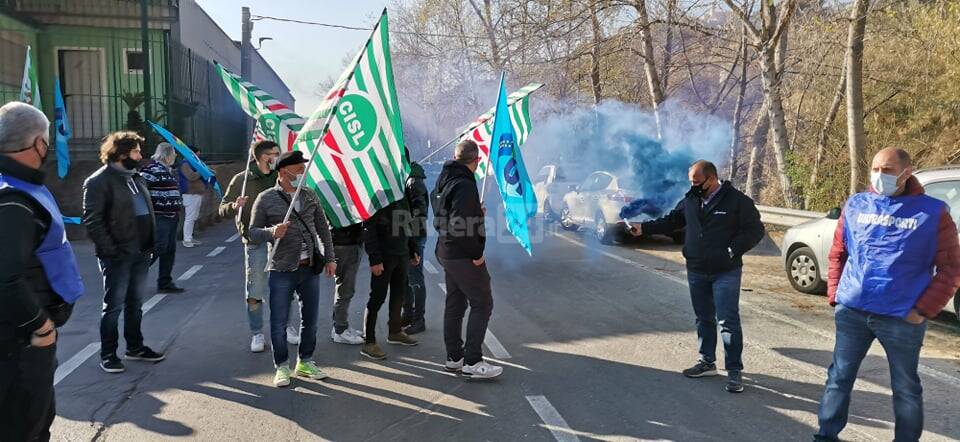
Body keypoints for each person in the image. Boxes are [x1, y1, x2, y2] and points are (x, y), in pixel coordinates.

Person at [814, 148, 960, 442]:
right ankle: (825, 436)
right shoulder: (856, 205)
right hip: (853, 310)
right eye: (877, 168)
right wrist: (835, 295)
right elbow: (838, 253)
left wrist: (923, 309)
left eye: (889, 170)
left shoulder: (932, 213)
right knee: (838, 378)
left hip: (902, 316)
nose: (880, 175)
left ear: (907, 172)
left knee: (905, 387)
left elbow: (952, 268)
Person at [630, 160, 764, 393]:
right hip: (696, 269)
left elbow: (755, 230)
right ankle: (707, 362)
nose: (693, 186)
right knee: (703, 318)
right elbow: (672, 221)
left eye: (697, 182)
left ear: (712, 179)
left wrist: (733, 250)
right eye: (691, 182)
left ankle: (734, 371)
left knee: (727, 321)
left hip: (726, 271)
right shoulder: (691, 199)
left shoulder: (737, 201)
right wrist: (644, 228)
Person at [0, 102, 84, 442]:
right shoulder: (13, 200)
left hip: (17, 337)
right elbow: (5, 276)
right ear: (38, 145)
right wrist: (40, 326)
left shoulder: (16, 187)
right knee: (27, 428)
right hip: (18, 342)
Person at [249, 150, 336, 388]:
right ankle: (282, 366)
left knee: (311, 320)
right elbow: (252, 232)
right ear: (284, 170)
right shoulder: (266, 198)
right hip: (282, 269)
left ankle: (305, 361)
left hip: (309, 269)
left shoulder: (309, 195)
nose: (302, 170)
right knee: (278, 322)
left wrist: (330, 258)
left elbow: (323, 229)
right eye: (299, 166)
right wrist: (271, 232)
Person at [83, 131, 165, 374]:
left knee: (135, 304)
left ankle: (135, 347)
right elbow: (92, 221)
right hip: (118, 255)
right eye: (136, 151)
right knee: (113, 306)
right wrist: (111, 251)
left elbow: (145, 213)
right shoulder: (98, 181)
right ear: (120, 154)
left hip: (141, 252)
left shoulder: (136, 178)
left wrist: (152, 244)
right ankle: (108, 354)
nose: (141, 155)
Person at [219, 140, 302, 353]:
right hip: (255, 242)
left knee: (286, 286)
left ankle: (287, 327)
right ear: (264, 157)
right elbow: (222, 209)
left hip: (281, 241)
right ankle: (257, 333)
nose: (278, 156)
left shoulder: (280, 177)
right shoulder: (242, 180)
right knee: (255, 288)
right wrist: (234, 205)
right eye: (275, 153)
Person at [432, 139, 502, 379]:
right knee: (482, 302)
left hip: (445, 250)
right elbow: (460, 224)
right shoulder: (464, 184)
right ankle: (472, 361)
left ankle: (454, 358)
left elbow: (447, 213)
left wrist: (474, 211)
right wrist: (477, 255)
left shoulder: (445, 178)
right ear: (476, 161)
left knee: (455, 303)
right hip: (462, 254)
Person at [360, 194, 420, 360]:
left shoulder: (401, 195)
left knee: (398, 296)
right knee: (377, 298)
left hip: (402, 254)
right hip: (384, 257)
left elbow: (408, 223)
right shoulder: (376, 196)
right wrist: (375, 259)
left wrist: (413, 249)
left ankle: (395, 331)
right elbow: (368, 229)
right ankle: (369, 341)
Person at [140, 142, 184, 294]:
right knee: (159, 247)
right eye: (173, 153)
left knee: (169, 250)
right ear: (166, 155)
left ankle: (165, 281)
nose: (175, 156)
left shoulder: (169, 171)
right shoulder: (152, 170)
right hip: (159, 216)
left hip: (171, 216)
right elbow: (141, 190)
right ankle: (134, 275)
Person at [403, 157, 430, 335]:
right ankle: (408, 314)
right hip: (407, 236)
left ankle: (419, 319)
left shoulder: (413, 181)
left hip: (413, 237)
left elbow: (419, 214)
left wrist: (412, 244)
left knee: (414, 278)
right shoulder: (406, 178)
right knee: (406, 279)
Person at [330, 221, 366, 345]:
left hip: (344, 240)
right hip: (346, 242)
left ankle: (339, 326)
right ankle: (340, 329)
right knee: (345, 288)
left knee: (344, 287)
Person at [179, 145, 204, 248]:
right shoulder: (185, 164)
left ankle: (190, 237)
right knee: (190, 217)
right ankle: (187, 239)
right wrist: (202, 171)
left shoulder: (193, 163)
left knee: (193, 217)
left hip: (196, 193)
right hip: (190, 193)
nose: (198, 156)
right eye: (197, 154)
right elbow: (191, 176)